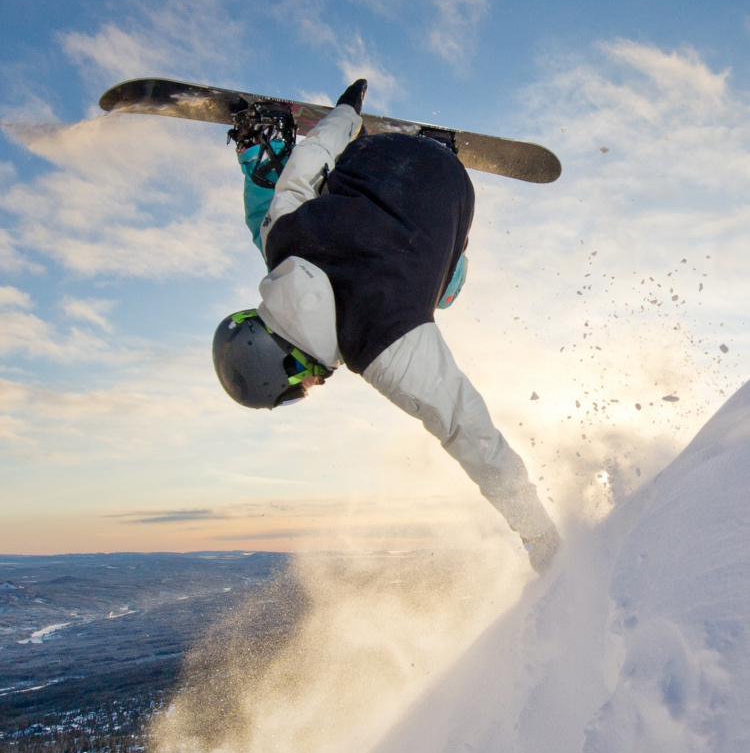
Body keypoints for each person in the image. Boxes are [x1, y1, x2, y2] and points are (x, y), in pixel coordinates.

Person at [213, 79, 560, 574]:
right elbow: (308, 163)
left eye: (294, 392)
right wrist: (346, 113)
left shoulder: (383, 345)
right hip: (375, 154)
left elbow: (470, 432)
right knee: (272, 214)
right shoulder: (280, 242)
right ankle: (263, 141)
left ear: (289, 364)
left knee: (444, 292)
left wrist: (538, 532)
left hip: (450, 181)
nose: (309, 391)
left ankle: (439, 150)